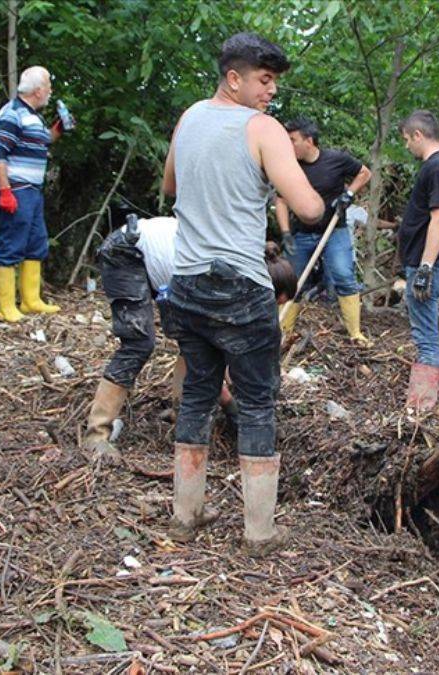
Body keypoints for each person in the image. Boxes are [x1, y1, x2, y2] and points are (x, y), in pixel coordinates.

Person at [161, 32, 323, 555]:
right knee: (256, 404)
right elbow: (309, 209)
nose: (271, 91)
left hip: (186, 284)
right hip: (239, 285)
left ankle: (185, 516)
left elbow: (170, 187)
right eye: (264, 80)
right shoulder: (263, 129)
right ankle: (259, 533)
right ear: (235, 77)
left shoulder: (188, 119)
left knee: (198, 394)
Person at [83, 217, 298, 462]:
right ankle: (96, 434)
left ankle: (180, 413)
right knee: (138, 343)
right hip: (128, 252)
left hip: (163, 264)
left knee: (194, 339)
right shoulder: (223, 278)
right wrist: (229, 403)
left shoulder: (238, 265)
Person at [275, 118, 374, 345]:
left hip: (334, 232)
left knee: (343, 275)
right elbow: (280, 201)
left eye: (293, 140)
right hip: (300, 233)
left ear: (309, 140)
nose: (289, 146)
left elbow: (364, 173)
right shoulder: (289, 166)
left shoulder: (336, 160)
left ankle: (355, 334)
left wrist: (348, 195)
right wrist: (286, 233)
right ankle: (284, 333)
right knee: (294, 283)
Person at [397, 110, 439, 411]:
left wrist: (425, 267)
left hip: (429, 262)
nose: (407, 146)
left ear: (418, 135)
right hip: (424, 259)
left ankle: (421, 405)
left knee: (425, 334)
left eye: (408, 140)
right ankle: (424, 398)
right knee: (425, 330)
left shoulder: (438, 168)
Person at [0, 65, 65, 322]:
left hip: (33, 191)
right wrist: (4, 190)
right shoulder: (12, 114)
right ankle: (6, 306)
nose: (50, 91)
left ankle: (31, 301)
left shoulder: (32, 116)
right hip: (16, 190)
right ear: (38, 89)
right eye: (48, 85)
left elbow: (43, 141)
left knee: (36, 243)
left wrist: (59, 129)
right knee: (11, 245)